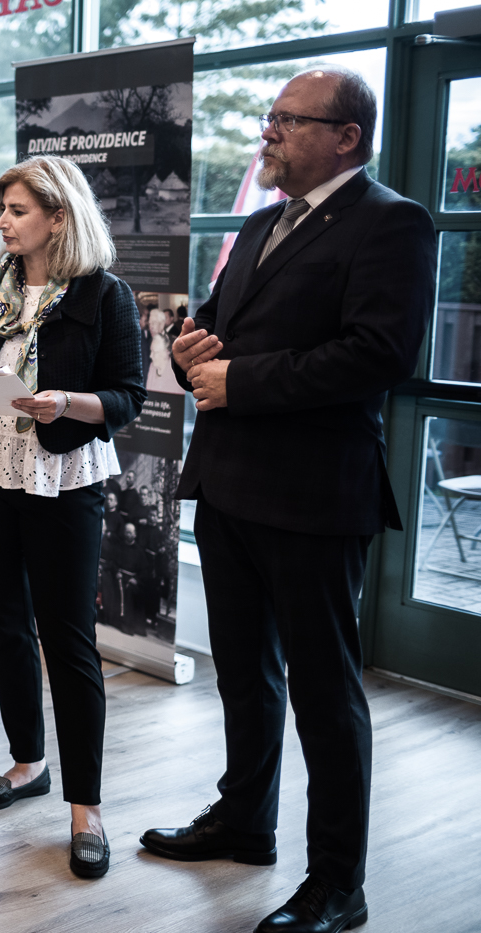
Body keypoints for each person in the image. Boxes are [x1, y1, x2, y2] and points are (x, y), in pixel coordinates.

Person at [139, 69, 433, 933]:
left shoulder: (393, 222)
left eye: (287, 120)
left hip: (314, 495)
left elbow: (381, 354)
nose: (267, 133)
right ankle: (245, 821)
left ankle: (339, 883)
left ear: (346, 137)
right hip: (228, 485)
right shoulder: (263, 222)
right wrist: (191, 347)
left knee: (325, 695)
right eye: (269, 119)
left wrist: (242, 379)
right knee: (243, 673)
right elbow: (221, 327)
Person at [0, 155, 144, 879]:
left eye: (17, 210)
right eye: (1, 208)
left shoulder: (104, 294)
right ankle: (28, 763)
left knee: (68, 639)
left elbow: (126, 397)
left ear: (59, 217)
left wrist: (66, 404)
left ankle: (87, 809)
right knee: (3, 624)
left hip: (60, 474)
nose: (2, 222)